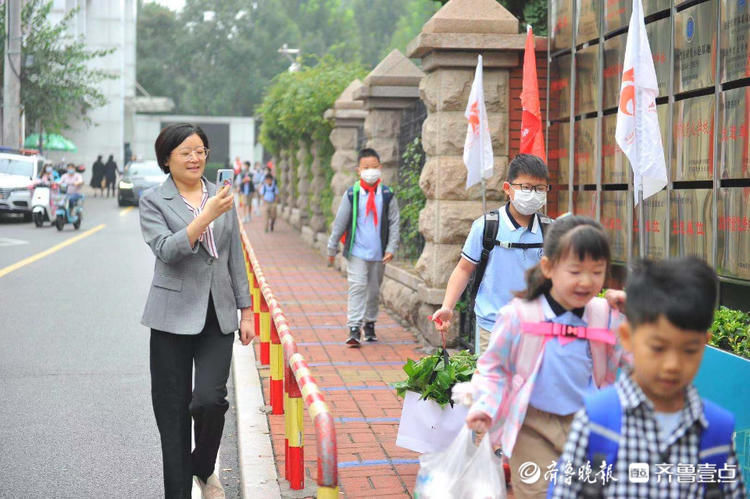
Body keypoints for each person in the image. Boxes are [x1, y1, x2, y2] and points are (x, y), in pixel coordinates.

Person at [550, 257, 746, 498]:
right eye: (658, 348)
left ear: (704, 343)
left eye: (689, 350)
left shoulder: (717, 433)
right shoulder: (597, 423)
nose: (672, 365)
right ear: (627, 336)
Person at [465, 215, 628, 499]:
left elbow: (643, 358)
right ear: (548, 267)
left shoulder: (605, 316)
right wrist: (485, 407)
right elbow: (494, 369)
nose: (586, 282)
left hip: (587, 426)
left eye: (597, 271)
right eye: (575, 271)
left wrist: (637, 310)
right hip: (532, 427)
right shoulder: (518, 315)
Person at [138, 123, 254, 499]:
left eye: (200, 150)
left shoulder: (221, 195)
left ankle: (203, 467)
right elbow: (167, 251)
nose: (195, 157)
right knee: (171, 416)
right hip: (170, 316)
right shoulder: (153, 201)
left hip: (216, 314)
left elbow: (234, 254)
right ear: (167, 158)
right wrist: (206, 215)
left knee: (209, 399)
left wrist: (246, 310)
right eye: (186, 151)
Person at [431, 154, 552, 354]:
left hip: (536, 328)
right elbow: (464, 269)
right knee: (493, 384)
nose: (533, 194)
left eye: (540, 189)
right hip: (492, 326)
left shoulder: (550, 230)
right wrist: (447, 307)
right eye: (526, 188)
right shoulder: (486, 226)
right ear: (507, 188)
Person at [326, 148, 400, 347]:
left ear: (380, 168)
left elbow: (394, 222)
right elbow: (340, 222)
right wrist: (331, 248)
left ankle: (370, 323)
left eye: (374, 167)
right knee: (357, 286)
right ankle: (354, 327)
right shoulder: (352, 194)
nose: (370, 171)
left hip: (378, 254)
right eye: (366, 167)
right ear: (359, 170)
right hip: (356, 252)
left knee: (374, 291)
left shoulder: (387, 194)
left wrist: (391, 247)